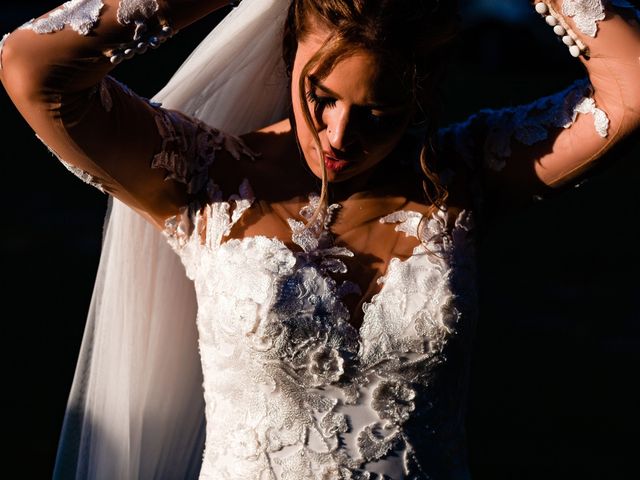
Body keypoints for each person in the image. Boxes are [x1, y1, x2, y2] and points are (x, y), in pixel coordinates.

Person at [1, 0, 639, 478]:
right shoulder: (203, 175)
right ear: (289, 51)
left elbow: (631, 91)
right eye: (321, 96)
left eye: (377, 114)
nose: (338, 136)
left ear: (420, 95)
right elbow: (33, 66)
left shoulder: (464, 176)